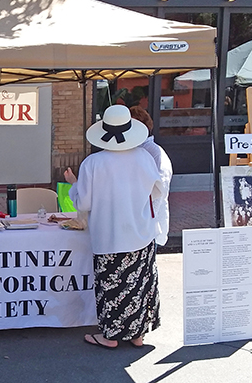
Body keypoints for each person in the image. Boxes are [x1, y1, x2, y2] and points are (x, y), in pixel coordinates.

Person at [64, 105, 163, 349]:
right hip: (140, 233)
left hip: (109, 236)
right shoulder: (143, 157)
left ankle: (110, 336)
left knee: (112, 286)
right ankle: (137, 335)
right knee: (138, 285)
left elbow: (84, 202)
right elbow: (158, 191)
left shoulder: (93, 163)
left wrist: (74, 186)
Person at [130, 106, 173, 247]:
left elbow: (158, 192)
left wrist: (144, 222)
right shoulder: (137, 150)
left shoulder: (154, 153)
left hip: (148, 228)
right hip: (137, 225)